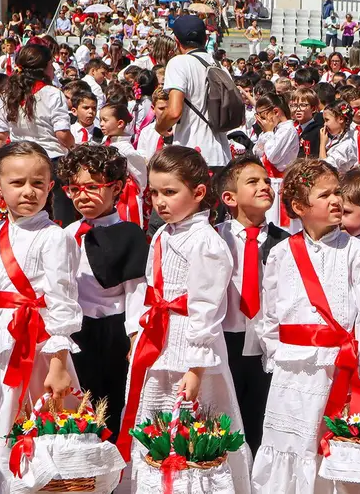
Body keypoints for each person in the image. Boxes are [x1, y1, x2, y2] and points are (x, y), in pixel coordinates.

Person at [114, 146, 252, 491]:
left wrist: (196, 366)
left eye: (170, 192)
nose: (160, 202)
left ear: (199, 193)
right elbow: (149, 288)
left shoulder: (206, 242)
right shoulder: (162, 234)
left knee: (196, 423)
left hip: (190, 344)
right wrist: (138, 335)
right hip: (158, 338)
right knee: (154, 421)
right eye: (155, 193)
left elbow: (207, 308)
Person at [252, 159, 360, 494]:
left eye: (338, 191)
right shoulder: (281, 253)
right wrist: (276, 352)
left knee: (324, 440)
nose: (336, 199)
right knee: (289, 441)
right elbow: (268, 312)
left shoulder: (356, 251)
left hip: (335, 366)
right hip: (292, 366)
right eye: (325, 194)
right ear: (299, 207)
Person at [0, 141, 82, 484]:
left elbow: (63, 301)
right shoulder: (1, 231)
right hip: (1, 338)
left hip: (36, 346)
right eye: (17, 183)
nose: (28, 192)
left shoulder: (55, 238)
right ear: (0, 187)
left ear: (51, 187)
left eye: (37, 183)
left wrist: (59, 365)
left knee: (27, 421)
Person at [58, 144, 148, 438]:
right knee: (80, 399)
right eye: (75, 188)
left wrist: (135, 335)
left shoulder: (130, 234)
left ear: (116, 187)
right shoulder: (67, 234)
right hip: (77, 330)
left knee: (111, 399)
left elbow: (135, 289)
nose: (83, 195)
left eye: (93, 187)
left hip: (113, 331)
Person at [214, 156, 289, 455]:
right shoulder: (216, 238)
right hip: (225, 340)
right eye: (253, 181)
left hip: (266, 342)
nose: (264, 186)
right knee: (225, 422)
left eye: (268, 182)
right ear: (229, 198)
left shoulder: (284, 243)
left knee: (260, 421)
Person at [0, 44, 76, 225]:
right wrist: (74, 147)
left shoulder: (5, 94)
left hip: (17, 160)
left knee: (20, 216)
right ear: (46, 67)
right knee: (59, 217)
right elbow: (62, 133)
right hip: (51, 161)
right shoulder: (53, 94)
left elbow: (1, 136)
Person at [157, 15, 232, 171]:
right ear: (205, 39)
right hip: (222, 155)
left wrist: (160, 127)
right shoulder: (219, 66)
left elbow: (174, 111)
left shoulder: (179, 62)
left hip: (191, 153)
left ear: (177, 41)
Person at [255, 92, 300, 230]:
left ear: (275, 111)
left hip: (280, 183)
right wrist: (267, 133)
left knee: (280, 226)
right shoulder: (274, 130)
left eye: (262, 117)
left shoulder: (289, 130)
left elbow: (274, 156)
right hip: (269, 182)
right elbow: (257, 152)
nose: (260, 122)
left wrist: (268, 133)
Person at [100, 103, 148, 228]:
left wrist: (137, 190)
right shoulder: (106, 142)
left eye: (105, 120)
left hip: (124, 194)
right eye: (100, 120)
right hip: (109, 190)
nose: (101, 124)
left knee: (124, 222)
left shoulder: (126, 150)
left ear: (120, 123)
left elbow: (140, 174)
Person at [320, 100, 356, 172]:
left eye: (327, 120)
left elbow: (325, 169)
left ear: (341, 119)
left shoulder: (346, 144)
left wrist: (322, 144)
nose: (325, 124)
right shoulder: (337, 138)